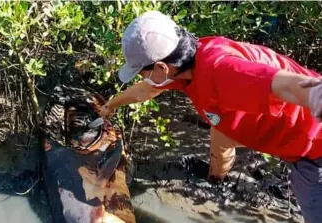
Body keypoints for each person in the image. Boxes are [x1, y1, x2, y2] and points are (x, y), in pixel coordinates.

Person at [98, 11, 322, 223]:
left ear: (161, 67)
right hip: (287, 141)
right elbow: (145, 90)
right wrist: (112, 104)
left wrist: (313, 94)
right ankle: (216, 179)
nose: (142, 76)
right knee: (220, 133)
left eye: (142, 71)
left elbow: (284, 85)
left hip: (313, 152)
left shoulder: (221, 71)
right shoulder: (187, 64)